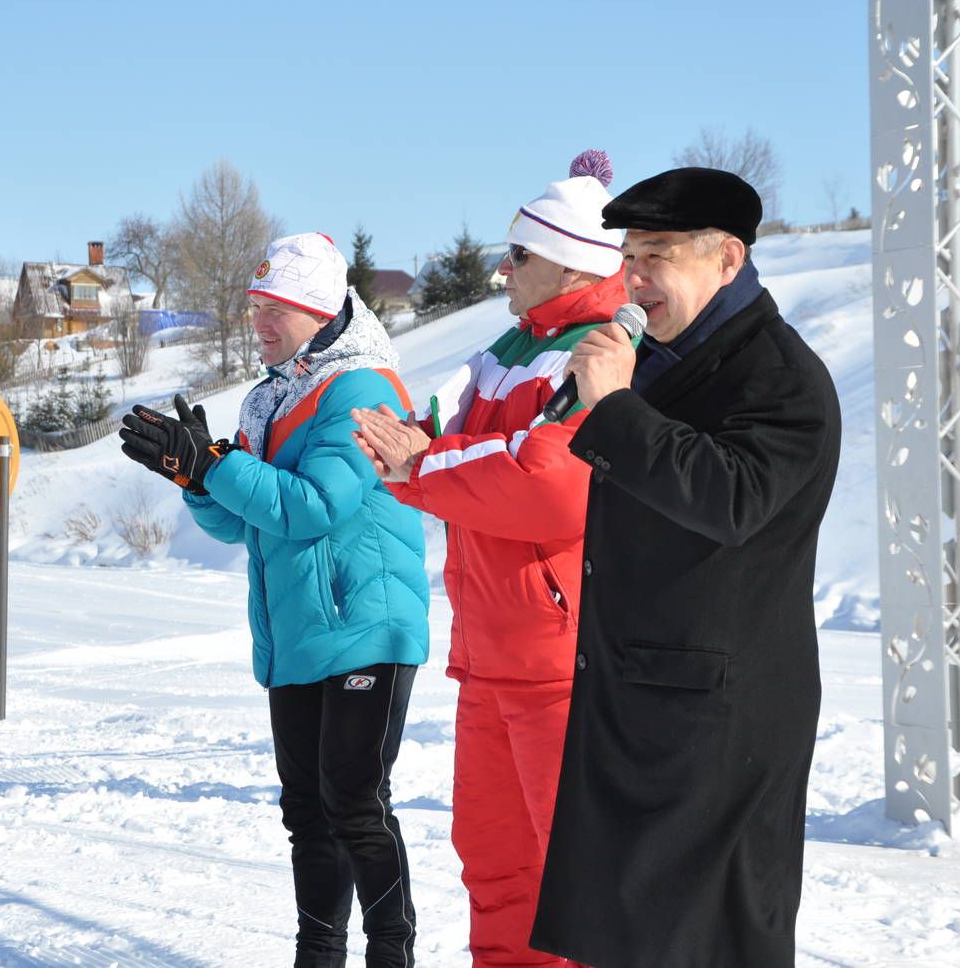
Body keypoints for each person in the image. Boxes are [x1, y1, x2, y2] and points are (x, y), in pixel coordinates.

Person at [528, 168, 841, 968]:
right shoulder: (660, 356)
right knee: (626, 937)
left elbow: (730, 498)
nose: (633, 278)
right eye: (628, 256)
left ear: (726, 260)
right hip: (635, 702)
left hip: (719, 729)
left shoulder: (784, 380)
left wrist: (617, 407)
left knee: (708, 943)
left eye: (656, 255)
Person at [118, 231, 430, 968]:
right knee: (308, 815)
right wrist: (195, 475)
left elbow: (315, 505)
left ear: (320, 313)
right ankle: (316, 958)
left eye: (276, 309)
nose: (259, 320)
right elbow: (239, 519)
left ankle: (393, 955)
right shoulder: (270, 397)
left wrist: (217, 466)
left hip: (364, 623)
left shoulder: (362, 388)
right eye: (254, 305)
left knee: (354, 804)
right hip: (295, 634)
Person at [352, 151, 626, 967]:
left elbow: (545, 482)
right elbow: (442, 448)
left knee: (571, 877)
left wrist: (424, 468)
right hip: (488, 654)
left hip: (561, 659)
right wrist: (412, 462)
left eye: (520, 256)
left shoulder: (603, 348)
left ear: (571, 260)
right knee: (494, 861)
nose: (502, 270)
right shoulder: (505, 347)